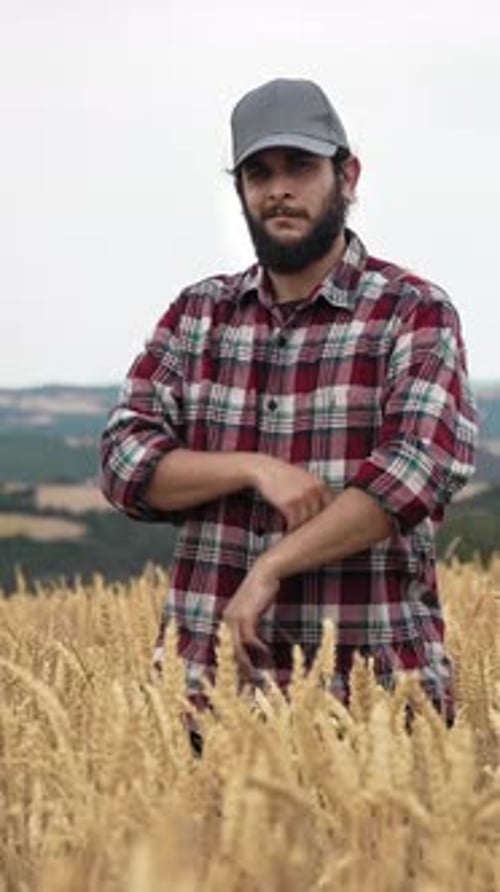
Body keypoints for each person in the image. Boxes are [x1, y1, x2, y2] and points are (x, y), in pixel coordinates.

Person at [100, 78, 477, 724]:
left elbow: (415, 473)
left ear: (347, 174)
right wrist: (253, 467)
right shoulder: (198, 316)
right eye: (259, 172)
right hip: (206, 703)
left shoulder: (412, 312)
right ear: (241, 189)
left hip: (370, 708)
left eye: (300, 167)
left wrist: (272, 566)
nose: (278, 189)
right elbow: (124, 463)